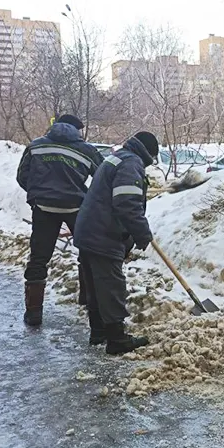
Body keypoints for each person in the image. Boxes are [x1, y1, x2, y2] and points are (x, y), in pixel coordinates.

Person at [73, 131, 159, 355]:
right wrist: (142, 234)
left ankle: (99, 332)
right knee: (110, 286)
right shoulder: (131, 164)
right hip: (103, 234)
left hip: (88, 230)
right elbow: (126, 203)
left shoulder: (117, 157)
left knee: (94, 284)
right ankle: (116, 339)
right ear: (149, 153)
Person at [16, 114, 102, 327]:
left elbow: (21, 176)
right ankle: (87, 300)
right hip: (76, 207)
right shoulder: (87, 150)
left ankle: (34, 313)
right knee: (88, 252)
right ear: (77, 130)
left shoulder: (35, 146)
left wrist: (37, 194)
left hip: (43, 208)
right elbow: (103, 177)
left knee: (39, 257)